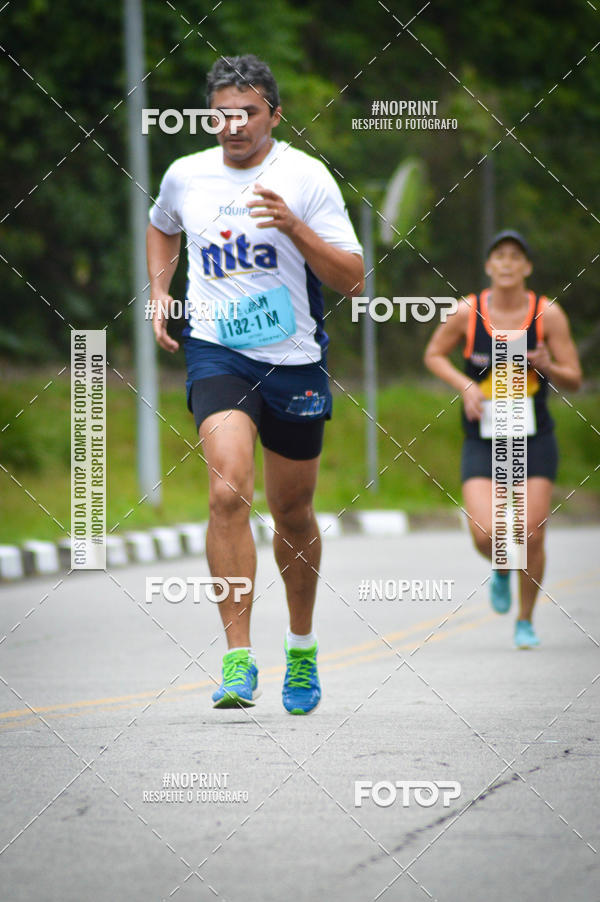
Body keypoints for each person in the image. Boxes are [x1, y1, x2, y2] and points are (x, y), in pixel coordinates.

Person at [146, 55, 364, 712]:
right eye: (222, 113)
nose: (233, 124)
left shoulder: (305, 177)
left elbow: (353, 278)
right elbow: (162, 226)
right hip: (217, 353)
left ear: (274, 114)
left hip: (293, 361)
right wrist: (161, 292)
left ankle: (301, 647)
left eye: (246, 112)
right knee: (227, 490)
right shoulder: (186, 175)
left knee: (293, 512)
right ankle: (238, 659)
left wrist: (294, 228)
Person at [424, 230, 582, 648]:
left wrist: (549, 365)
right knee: (484, 533)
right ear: (489, 266)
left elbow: (576, 379)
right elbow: (433, 354)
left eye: (516, 256)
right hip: (483, 438)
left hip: (534, 438)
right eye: (500, 256)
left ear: (527, 268)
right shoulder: (466, 311)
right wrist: (464, 385)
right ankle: (501, 568)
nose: (508, 263)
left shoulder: (547, 313)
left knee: (531, 533)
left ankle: (525, 619)